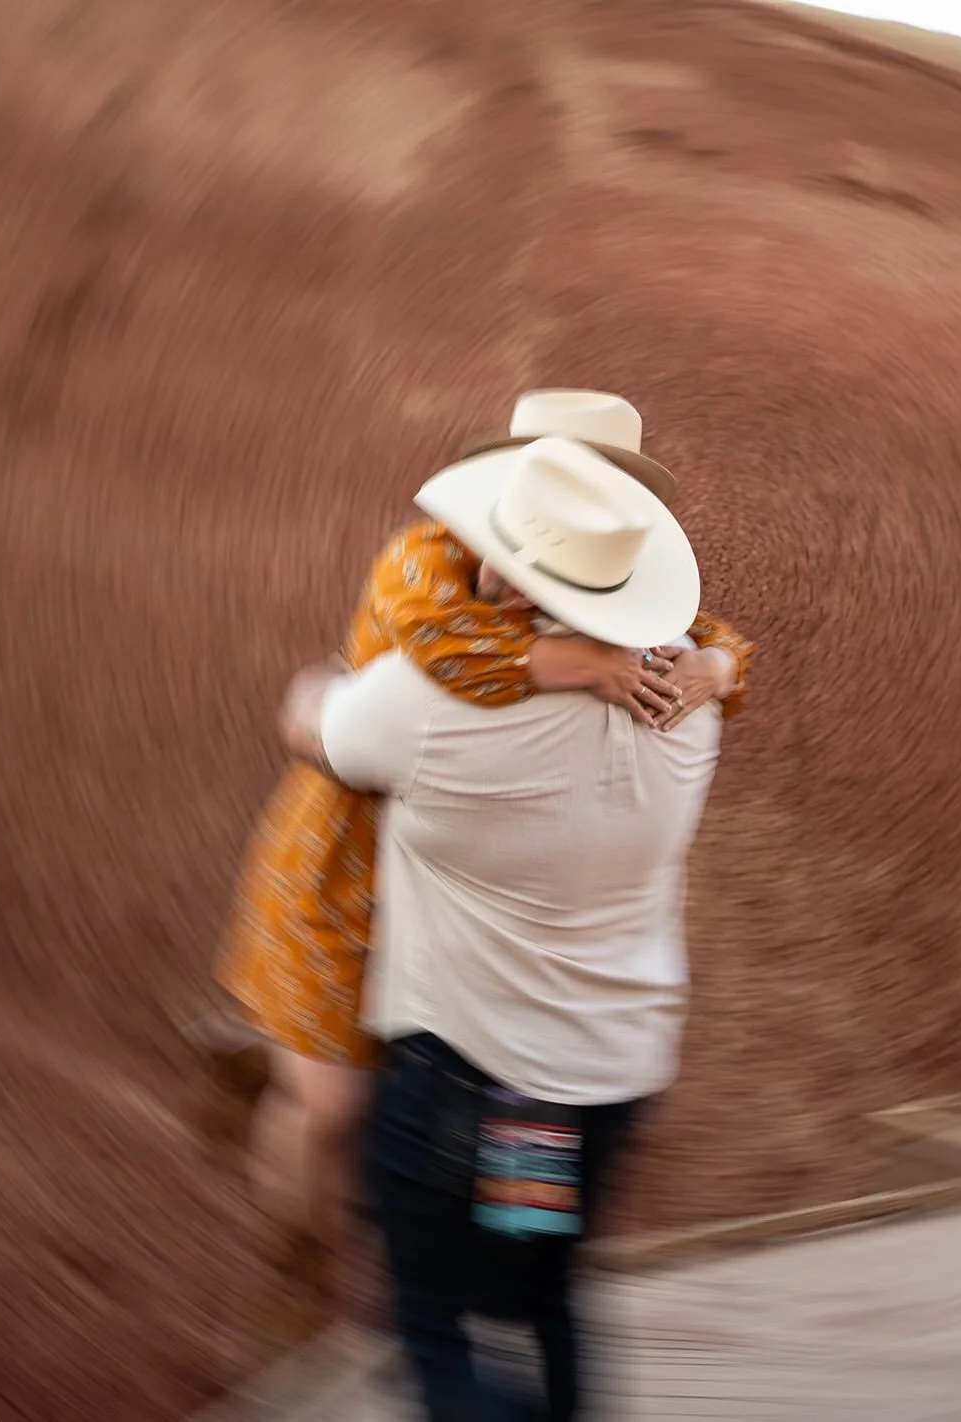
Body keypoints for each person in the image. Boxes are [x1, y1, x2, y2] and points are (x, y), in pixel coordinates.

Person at [209, 391, 753, 1280]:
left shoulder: (630, 614)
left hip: (461, 922)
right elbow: (441, 640)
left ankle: (477, 1275)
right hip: (353, 860)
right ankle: (301, 1253)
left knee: (461, 1113)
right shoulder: (427, 563)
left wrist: (714, 664)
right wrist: (589, 663)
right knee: (334, 1109)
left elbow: (719, 643)